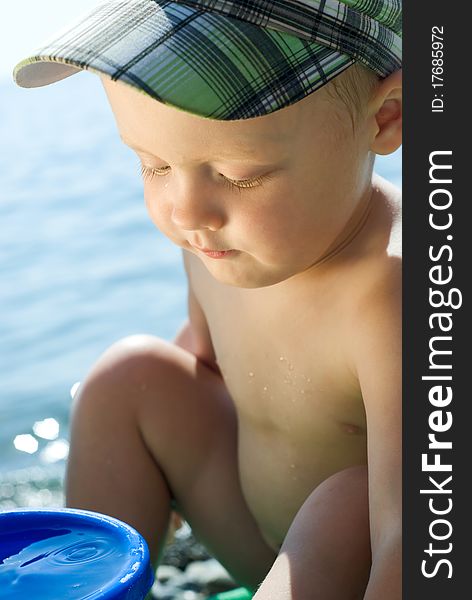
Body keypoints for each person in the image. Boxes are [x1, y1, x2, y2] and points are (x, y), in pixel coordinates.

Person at [14, 1, 402, 597]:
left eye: (238, 173)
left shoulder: (397, 293)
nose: (186, 212)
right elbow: (209, 363)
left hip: (372, 568)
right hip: (259, 535)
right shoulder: (215, 240)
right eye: (152, 165)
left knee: (349, 505)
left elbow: (415, 529)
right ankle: (96, 582)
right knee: (132, 377)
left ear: (388, 117)